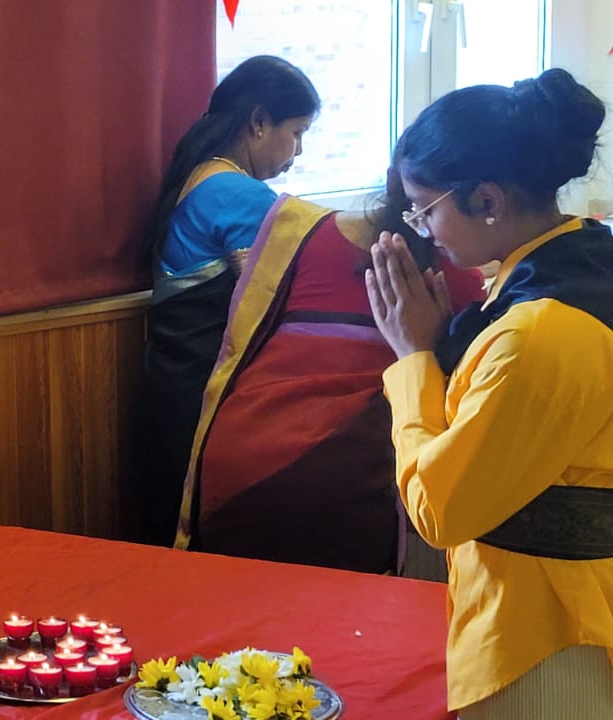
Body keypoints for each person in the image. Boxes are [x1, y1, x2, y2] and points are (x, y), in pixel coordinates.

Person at [365, 69, 613, 716]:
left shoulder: (540, 332)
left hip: (548, 636)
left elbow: (441, 512)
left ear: (486, 199)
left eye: (425, 209)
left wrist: (414, 358)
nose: (426, 231)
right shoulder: (582, 259)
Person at [171, 182, 484, 574]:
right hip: (346, 479)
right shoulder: (457, 273)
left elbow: (237, 349)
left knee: (239, 602)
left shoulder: (298, 231)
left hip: (233, 465)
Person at [134, 55, 320, 546]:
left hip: (170, 396)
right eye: (297, 132)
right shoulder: (236, 193)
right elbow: (299, 284)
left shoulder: (198, 176)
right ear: (258, 122)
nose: (298, 150)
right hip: (205, 403)